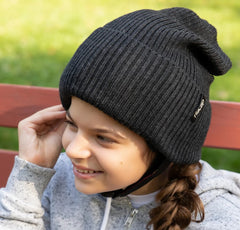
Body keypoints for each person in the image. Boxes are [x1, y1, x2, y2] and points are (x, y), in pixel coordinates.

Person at [0, 7, 240, 230]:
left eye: (103, 137)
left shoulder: (218, 218)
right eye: (72, 124)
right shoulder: (57, 176)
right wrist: (31, 174)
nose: (73, 150)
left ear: (165, 147)